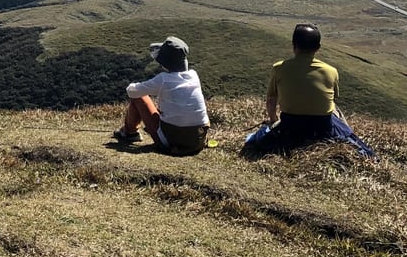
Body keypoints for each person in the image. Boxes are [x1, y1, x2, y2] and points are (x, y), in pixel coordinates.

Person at [242, 23, 374, 157]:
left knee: (256, 139)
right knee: (335, 109)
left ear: (294, 45)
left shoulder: (279, 68)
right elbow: (332, 99)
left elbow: (271, 100)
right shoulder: (331, 71)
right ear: (318, 48)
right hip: (322, 129)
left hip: (290, 127)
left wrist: (273, 120)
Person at [111, 35, 210, 155]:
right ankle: (130, 132)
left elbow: (132, 92)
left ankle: (129, 133)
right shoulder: (194, 75)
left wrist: (133, 85)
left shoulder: (164, 79)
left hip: (171, 142)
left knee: (140, 97)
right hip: (198, 141)